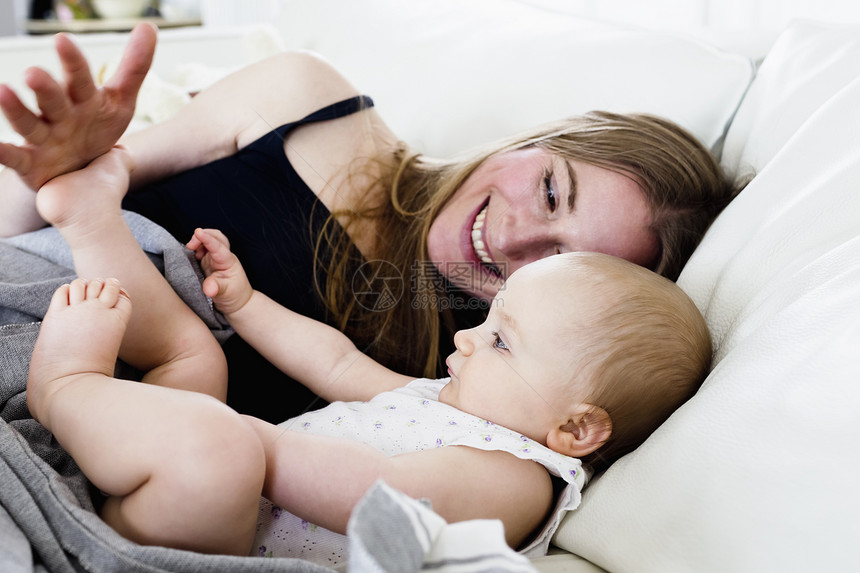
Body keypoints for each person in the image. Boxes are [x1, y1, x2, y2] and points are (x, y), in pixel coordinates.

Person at [2, 24, 734, 422]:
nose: (511, 239)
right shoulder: (304, 97)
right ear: (538, 140)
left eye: (557, 262)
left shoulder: (479, 374)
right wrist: (49, 171)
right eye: (549, 192)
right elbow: (56, 209)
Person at [26, 146, 711, 564]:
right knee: (204, 364)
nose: (466, 338)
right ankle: (91, 221)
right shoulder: (452, 405)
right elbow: (337, 364)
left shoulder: (521, 479)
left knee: (213, 448)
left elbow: (378, 486)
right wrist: (244, 303)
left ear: (577, 428)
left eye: (501, 341)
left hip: (202, 539)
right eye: (490, 322)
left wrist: (238, 436)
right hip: (203, 503)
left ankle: (62, 386)